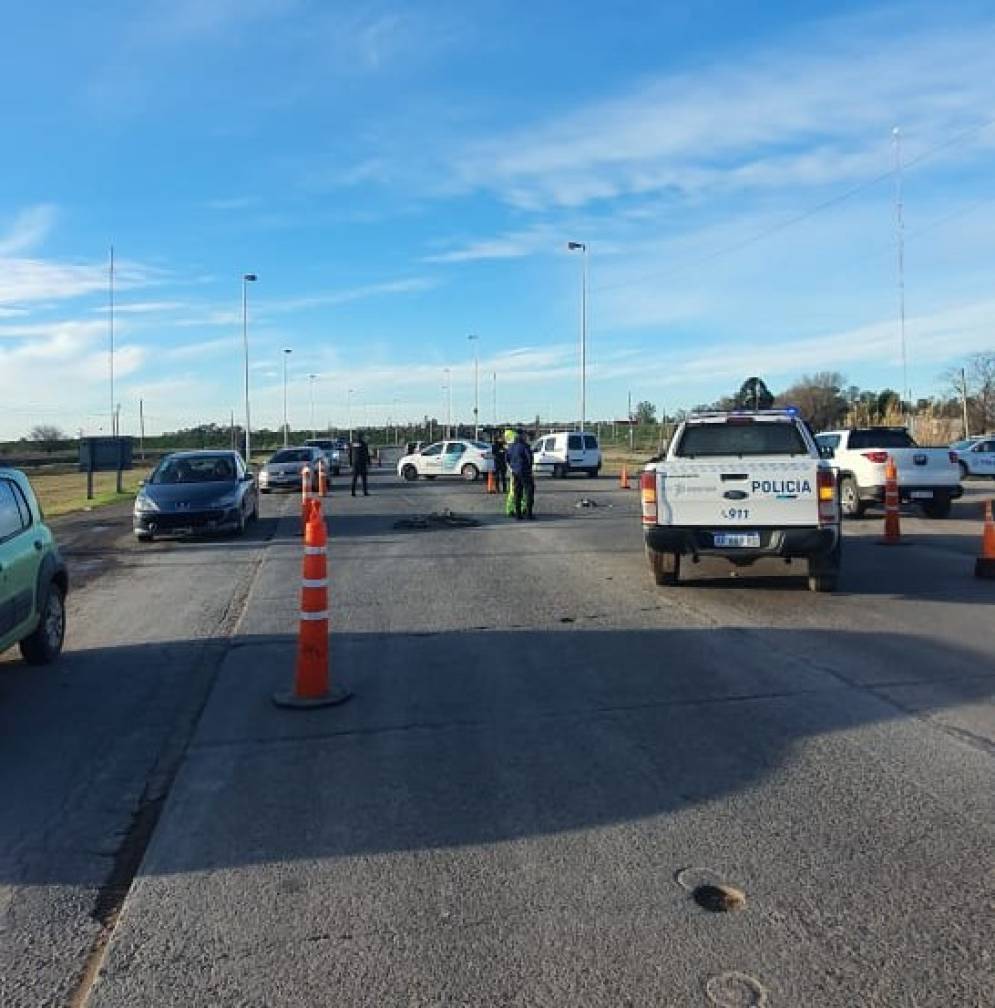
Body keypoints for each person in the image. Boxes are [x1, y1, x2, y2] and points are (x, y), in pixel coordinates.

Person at [506, 428, 535, 520]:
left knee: (517, 493)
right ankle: (529, 514)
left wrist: (513, 468)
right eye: (524, 435)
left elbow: (507, 459)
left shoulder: (511, 447)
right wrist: (529, 469)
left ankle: (518, 514)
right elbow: (529, 459)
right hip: (525, 472)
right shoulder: (525, 446)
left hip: (515, 472)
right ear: (522, 436)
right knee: (529, 492)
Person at [350, 432, 371, 496]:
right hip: (362, 463)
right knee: (364, 478)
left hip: (355, 463)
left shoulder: (352, 444)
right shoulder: (364, 444)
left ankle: (353, 492)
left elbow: (350, 454)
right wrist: (369, 462)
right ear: (361, 437)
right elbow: (366, 454)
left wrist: (350, 463)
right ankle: (365, 492)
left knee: (354, 478)